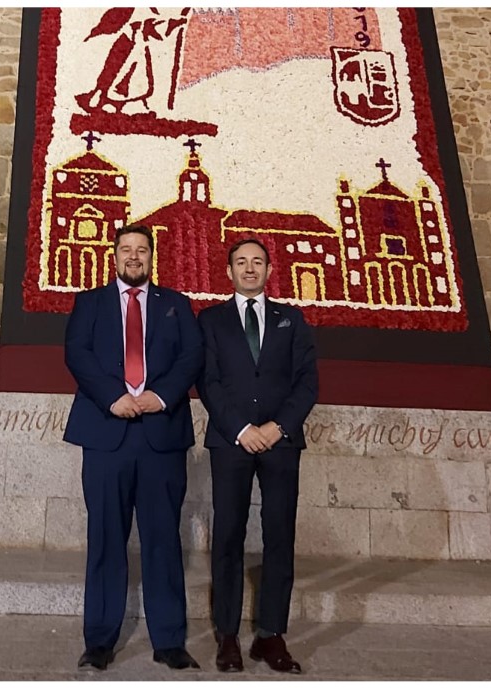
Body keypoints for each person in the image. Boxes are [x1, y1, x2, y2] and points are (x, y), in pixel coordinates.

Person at [63, 225, 204, 672]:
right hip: (107, 433)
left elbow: (191, 358)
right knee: (106, 538)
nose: (134, 256)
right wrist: (113, 397)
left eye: (142, 250)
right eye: (126, 249)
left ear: (152, 257)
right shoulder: (90, 303)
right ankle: (100, 641)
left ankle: (169, 640)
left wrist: (158, 397)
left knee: (163, 538)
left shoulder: (176, 306)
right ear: (115, 256)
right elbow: (77, 354)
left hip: (161, 435)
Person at [197, 239, 318, 674]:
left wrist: (276, 427)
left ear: (270, 269)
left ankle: (271, 635)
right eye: (241, 262)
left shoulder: (292, 320)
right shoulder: (210, 320)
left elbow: (307, 383)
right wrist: (242, 430)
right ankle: (227, 635)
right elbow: (208, 381)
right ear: (228, 271)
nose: (249, 269)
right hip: (231, 443)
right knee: (228, 535)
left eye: (257, 262)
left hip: (281, 444)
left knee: (279, 536)